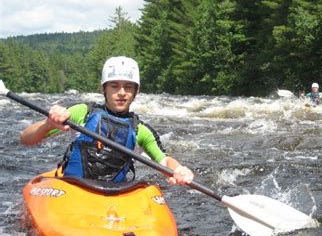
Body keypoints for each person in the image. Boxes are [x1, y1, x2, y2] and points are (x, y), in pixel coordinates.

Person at [20, 56, 194, 185]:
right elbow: (26, 139)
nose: (121, 92)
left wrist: (178, 169)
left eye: (128, 86)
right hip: (73, 187)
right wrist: (48, 124)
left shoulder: (140, 130)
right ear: (103, 88)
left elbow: (164, 161)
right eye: (114, 86)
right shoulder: (82, 113)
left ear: (136, 91)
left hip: (113, 194)